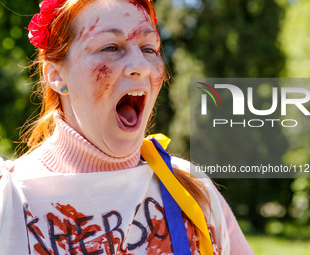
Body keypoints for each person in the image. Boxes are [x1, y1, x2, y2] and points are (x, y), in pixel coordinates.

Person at [0, 0, 254, 254]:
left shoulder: (192, 190)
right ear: (56, 75)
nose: (141, 66)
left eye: (149, 48)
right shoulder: (8, 199)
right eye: (111, 47)